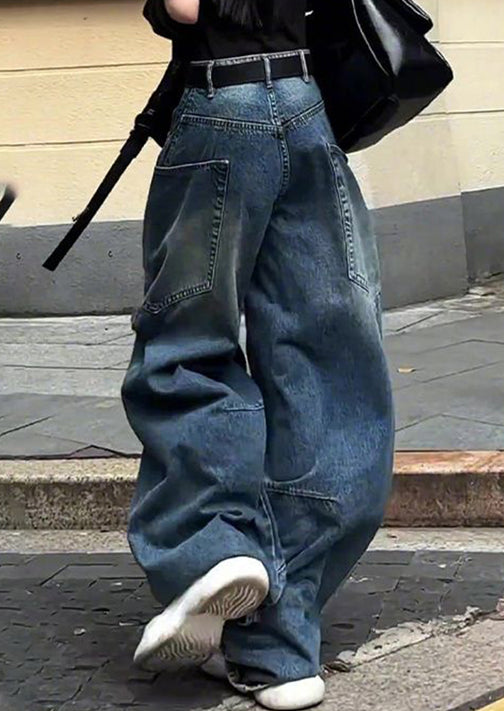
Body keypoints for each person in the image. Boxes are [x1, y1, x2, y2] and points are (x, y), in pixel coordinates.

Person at [121, 0, 395, 708]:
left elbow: (187, 4)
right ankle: (276, 648)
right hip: (307, 108)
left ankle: (216, 547)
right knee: (328, 365)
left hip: (220, 107)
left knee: (186, 347)